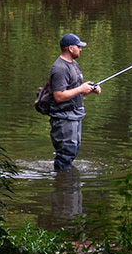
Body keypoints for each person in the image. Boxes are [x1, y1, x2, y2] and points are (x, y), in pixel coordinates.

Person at [43, 33, 101, 171]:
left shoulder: (74, 64)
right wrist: (81, 88)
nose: (81, 49)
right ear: (70, 48)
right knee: (65, 154)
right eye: (78, 46)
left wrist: (89, 89)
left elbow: (73, 91)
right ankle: (63, 185)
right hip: (63, 118)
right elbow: (59, 96)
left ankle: (66, 183)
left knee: (73, 151)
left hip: (75, 115)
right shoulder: (60, 68)